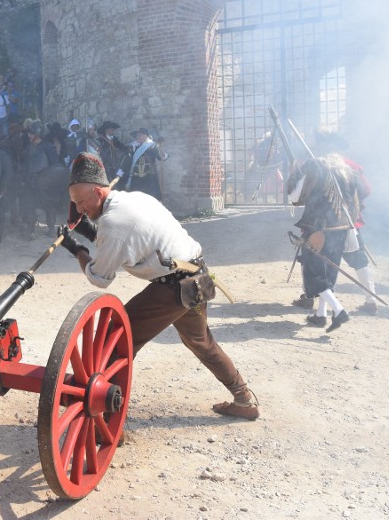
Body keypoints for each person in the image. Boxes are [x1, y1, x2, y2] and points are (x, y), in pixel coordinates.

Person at [59, 153, 258, 420]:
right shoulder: (135, 199)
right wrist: (88, 231)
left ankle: (108, 420)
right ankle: (244, 399)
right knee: (202, 342)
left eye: (82, 202)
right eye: (75, 204)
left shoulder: (112, 222)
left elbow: (100, 277)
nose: (80, 209)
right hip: (196, 277)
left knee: (117, 339)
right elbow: (126, 242)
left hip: (174, 288)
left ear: (97, 191)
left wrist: (76, 249)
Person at [286, 155, 359, 332]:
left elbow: (295, 198)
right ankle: (320, 315)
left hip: (319, 230)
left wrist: (294, 175)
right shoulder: (346, 172)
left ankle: (338, 310)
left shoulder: (314, 168)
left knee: (314, 274)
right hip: (341, 229)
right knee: (328, 274)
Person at [124, 128, 167, 200]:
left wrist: (161, 150)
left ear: (145, 136)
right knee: (136, 199)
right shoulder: (133, 147)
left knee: (150, 199)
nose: (137, 137)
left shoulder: (153, 146)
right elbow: (127, 160)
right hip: (136, 178)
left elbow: (161, 158)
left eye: (139, 135)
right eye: (136, 136)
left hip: (149, 178)